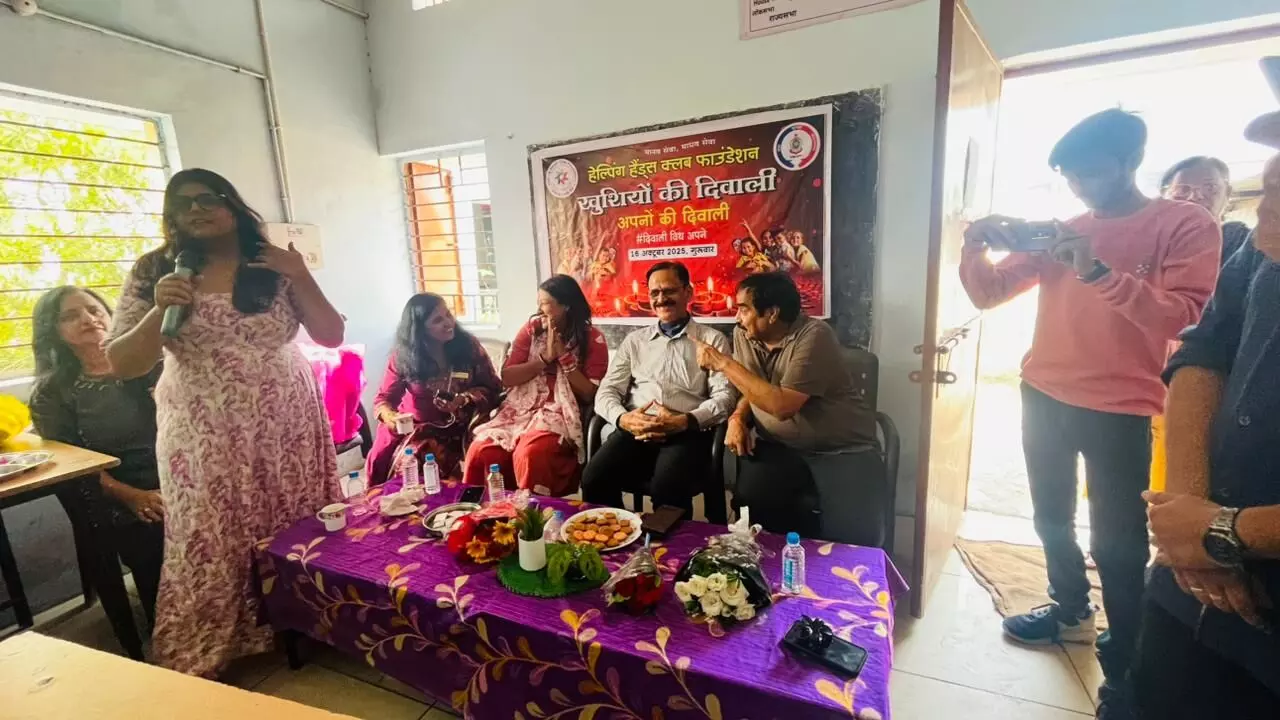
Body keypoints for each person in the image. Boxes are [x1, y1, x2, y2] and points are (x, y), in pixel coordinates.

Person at [958, 109, 1221, 713]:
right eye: (1070, 177)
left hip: (1122, 406)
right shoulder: (1066, 228)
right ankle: (1070, 609)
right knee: (1050, 517)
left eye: (1092, 174)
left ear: (1131, 162)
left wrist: (1095, 269)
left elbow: (1182, 318)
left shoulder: (1184, 224)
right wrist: (975, 245)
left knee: (1118, 542)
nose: (1080, 187)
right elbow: (989, 293)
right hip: (1043, 392)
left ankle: (1127, 664)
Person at [105, 168, 345, 677]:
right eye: (182, 203)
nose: (195, 209)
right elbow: (123, 363)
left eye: (207, 198)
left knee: (293, 511)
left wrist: (301, 275)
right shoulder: (155, 270)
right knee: (209, 528)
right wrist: (158, 309)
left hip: (286, 417)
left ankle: (306, 621)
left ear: (232, 205)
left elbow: (330, 335)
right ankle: (219, 639)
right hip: (202, 425)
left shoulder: (272, 263)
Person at [1131, 85, 1280, 719]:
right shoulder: (1256, 249)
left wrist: (1224, 533)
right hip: (1190, 593)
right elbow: (1203, 349)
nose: (1265, 203)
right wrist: (1194, 527)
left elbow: (1172, 316)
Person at [691, 272, 881, 544]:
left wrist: (723, 363)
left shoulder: (815, 336)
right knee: (755, 506)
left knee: (849, 538)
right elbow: (754, 387)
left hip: (840, 448)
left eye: (744, 309)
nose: (737, 317)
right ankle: (775, 565)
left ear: (772, 313)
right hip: (778, 445)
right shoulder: (744, 334)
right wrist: (737, 417)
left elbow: (781, 407)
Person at [27, 286, 164, 626]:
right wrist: (132, 496)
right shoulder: (53, 394)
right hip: (117, 491)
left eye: (93, 309)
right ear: (53, 331)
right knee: (152, 533)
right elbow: (73, 465)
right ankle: (172, 629)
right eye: (70, 316)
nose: (88, 319)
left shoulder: (149, 365)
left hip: (176, 474)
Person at [582, 261, 736, 511]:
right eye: (655, 293)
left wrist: (685, 421)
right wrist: (623, 419)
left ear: (687, 292)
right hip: (636, 430)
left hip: (685, 433)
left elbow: (725, 397)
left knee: (668, 488)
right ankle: (621, 532)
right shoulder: (635, 341)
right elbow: (607, 391)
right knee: (593, 479)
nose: (661, 299)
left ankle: (665, 539)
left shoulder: (712, 340)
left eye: (669, 291)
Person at [463, 275, 608, 495]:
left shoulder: (593, 339)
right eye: (538, 303)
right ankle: (486, 511)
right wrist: (544, 359)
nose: (539, 310)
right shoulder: (531, 331)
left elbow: (589, 394)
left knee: (530, 453)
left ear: (566, 306)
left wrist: (563, 356)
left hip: (559, 414)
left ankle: (531, 513)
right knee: (481, 450)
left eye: (545, 303)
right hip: (519, 410)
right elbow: (508, 378)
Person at [368, 293, 501, 486]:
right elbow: (383, 400)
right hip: (420, 430)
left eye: (448, 315)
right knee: (411, 462)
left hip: (464, 428)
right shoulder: (404, 357)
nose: (448, 323)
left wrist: (464, 399)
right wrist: (392, 418)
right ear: (420, 329)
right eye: (437, 320)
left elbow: (493, 388)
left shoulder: (468, 347)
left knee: (478, 456)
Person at [1160, 156, 1251, 265]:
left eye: (1210, 187)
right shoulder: (1150, 243)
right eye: (1182, 189)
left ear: (1227, 193)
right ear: (1163, 196)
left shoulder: (1247, 245)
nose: (1194, 197)